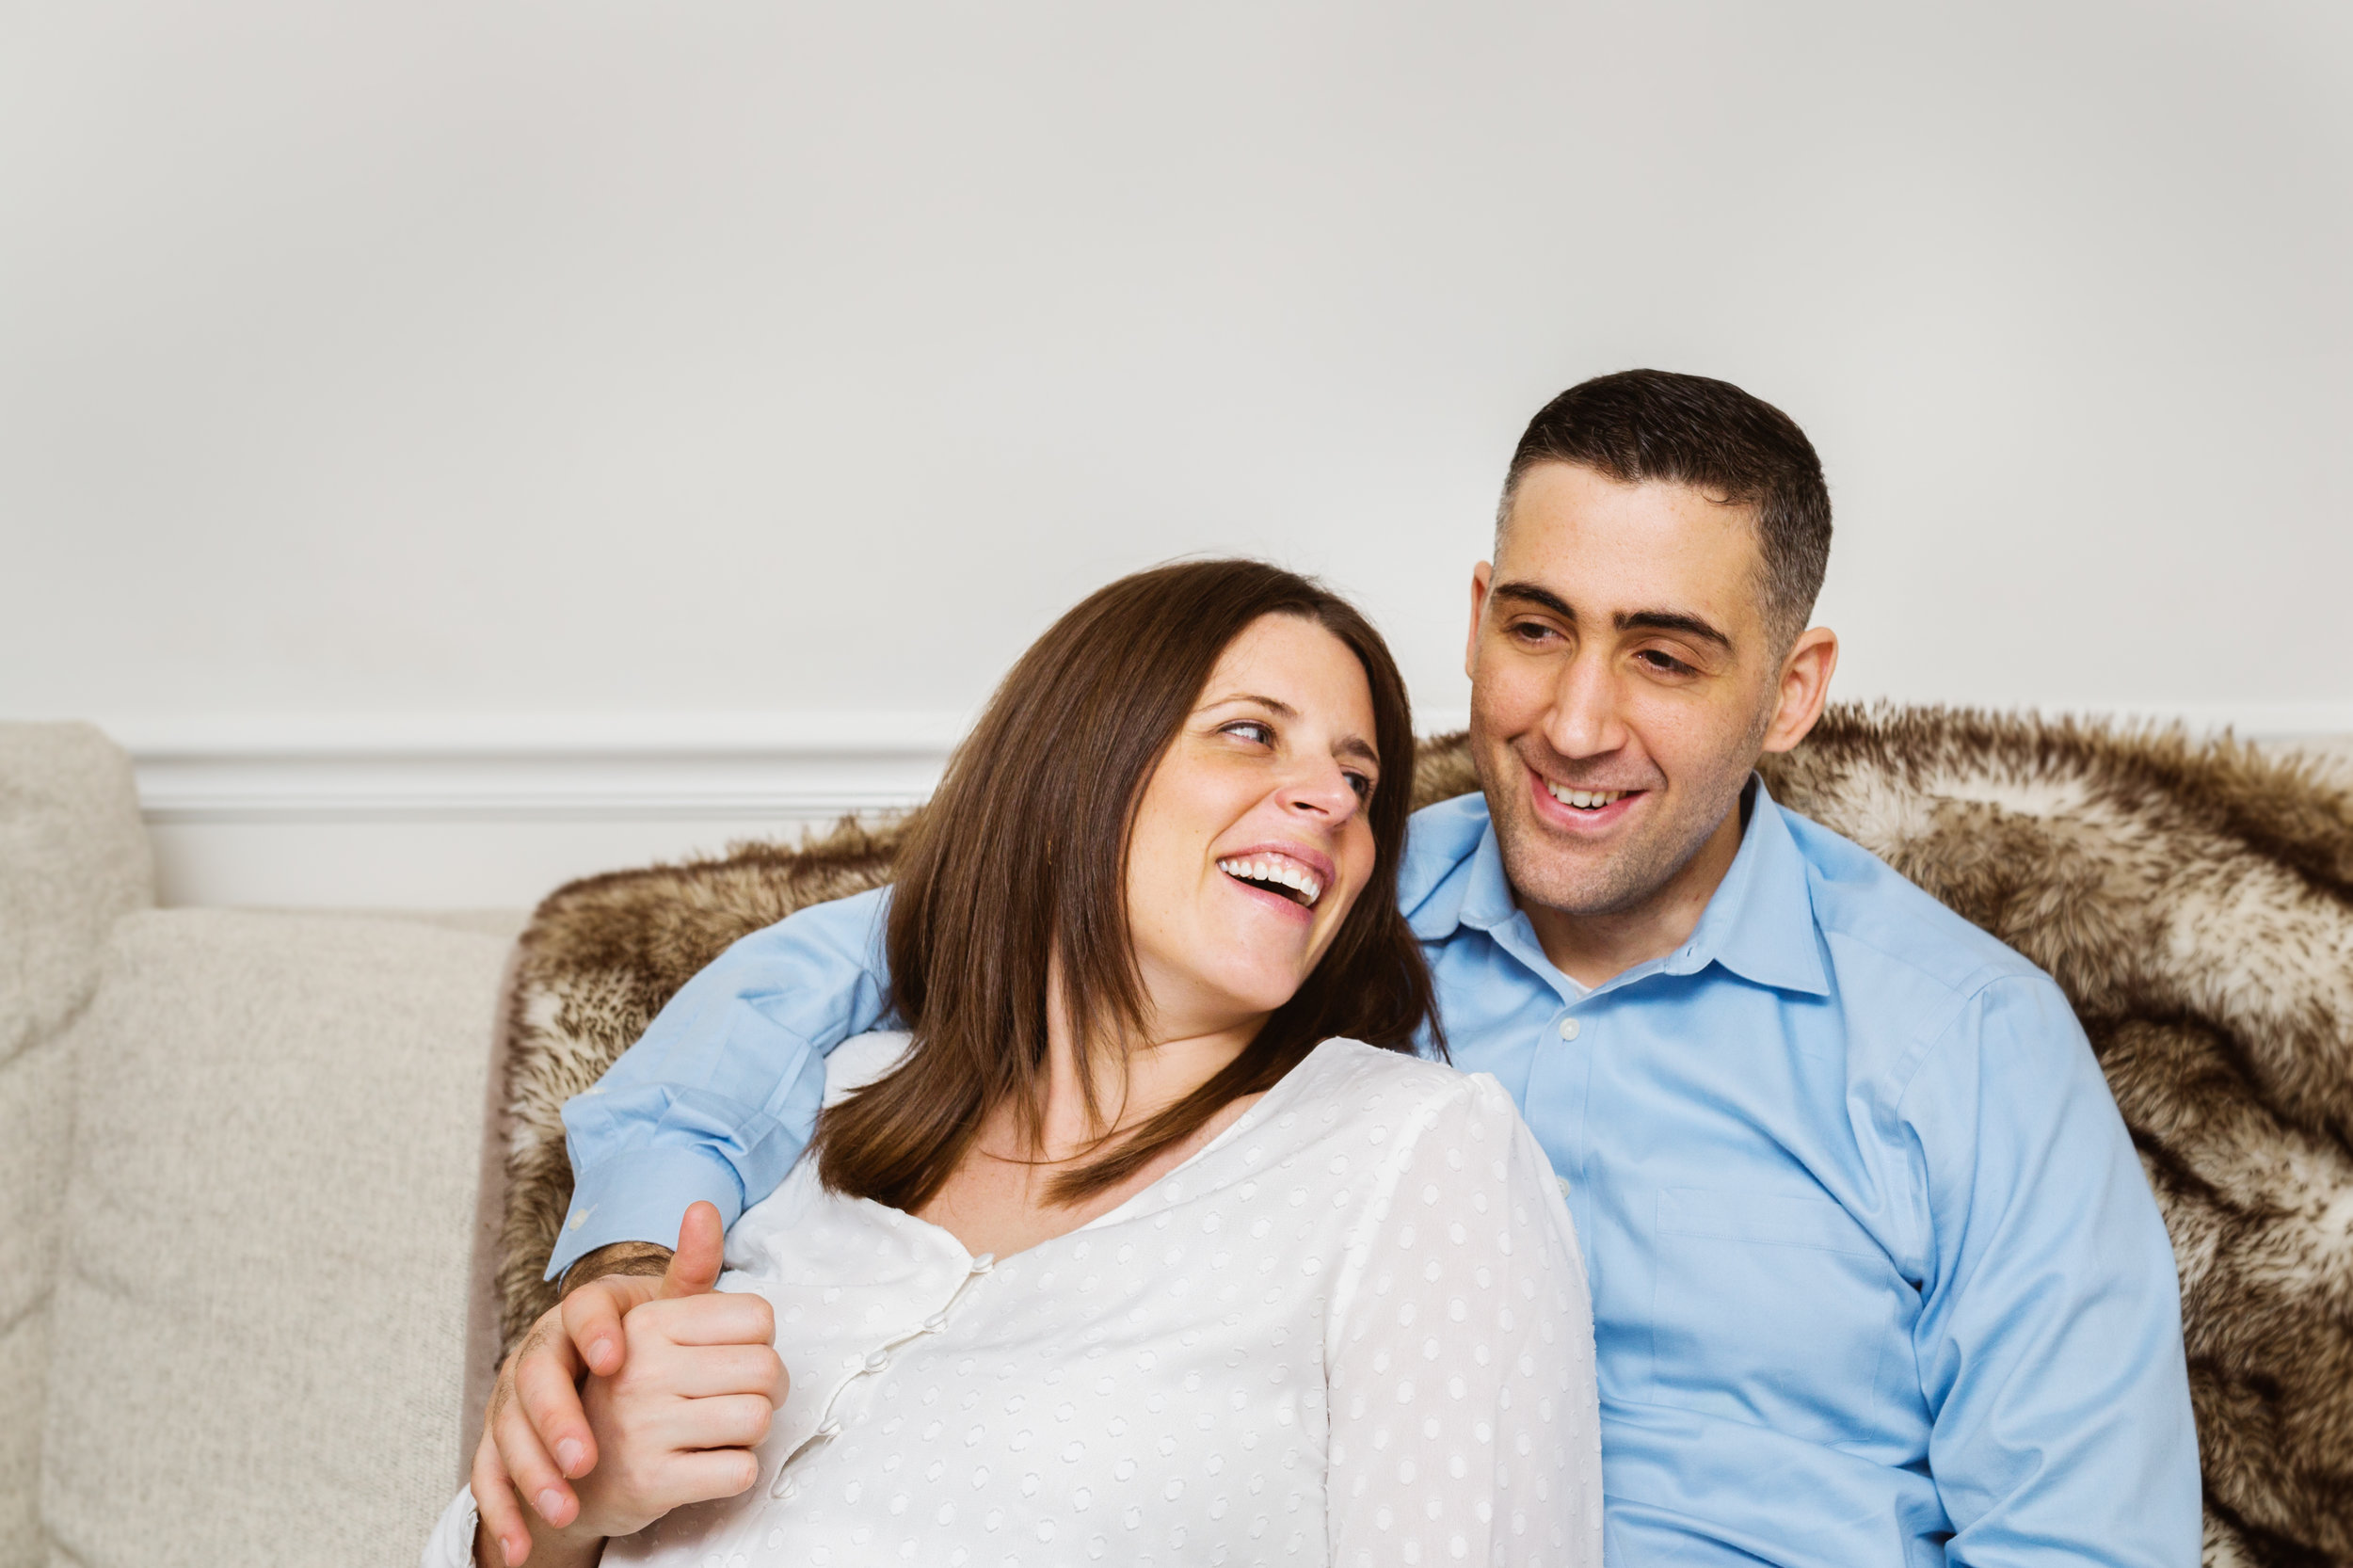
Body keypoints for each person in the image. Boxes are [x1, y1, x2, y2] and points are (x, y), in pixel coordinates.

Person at [482, 371, 2202, 1567]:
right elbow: (872, 955)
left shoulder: (1967, 1042)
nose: (1574, 721)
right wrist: (634, 1250)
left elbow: (2082, 1541)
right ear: (1475, 607)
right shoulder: (1310, 911)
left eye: (1665, 656)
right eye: (1535, 628)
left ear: (1795, 687)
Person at [435, 560, 1605, 1566]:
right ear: (1073, 769)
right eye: (1252, 731)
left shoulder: (1414, 1154)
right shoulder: (816, 1106)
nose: (1328, 801)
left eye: (1360, 783)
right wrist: (573, 1502)